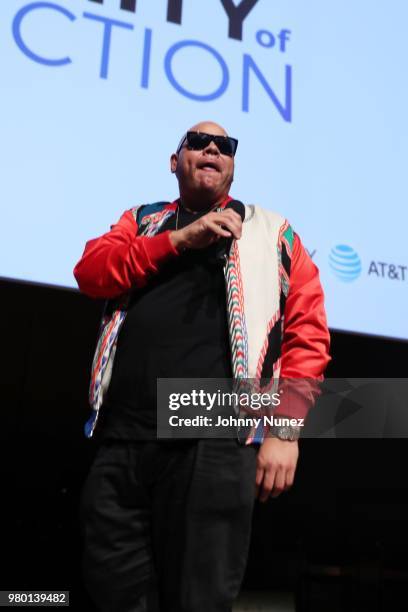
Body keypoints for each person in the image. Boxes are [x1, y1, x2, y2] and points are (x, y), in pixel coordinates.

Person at [74, 121, 331, 612]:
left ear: (232, 165)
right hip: (122, 433)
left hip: (212, 430)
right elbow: (90, 272)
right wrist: (179, 240)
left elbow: (308, 334)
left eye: (224, 145)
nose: (212, 148)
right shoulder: (143, 220)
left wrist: (285, 431)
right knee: (112, 588)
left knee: (199, 598)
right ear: (176, 162)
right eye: (197, 142)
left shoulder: (272, 230)